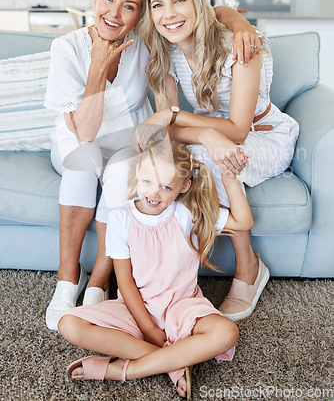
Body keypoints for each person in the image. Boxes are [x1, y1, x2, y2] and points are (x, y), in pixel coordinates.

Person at [43, 0, 261, 332]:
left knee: (120, 175)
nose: (114, 13)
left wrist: (241, 21)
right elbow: (85, 133)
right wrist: (97, 62)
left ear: (139, 13)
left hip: (127, 139)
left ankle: (99, 281)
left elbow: (209, 11)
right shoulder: (66, 48)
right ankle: (66, 281)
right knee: (80, 166)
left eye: (129, 6)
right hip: (79, 137)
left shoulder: (148, 42)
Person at [136, 0, 300, 322]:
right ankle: (171, 271)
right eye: (157, 4)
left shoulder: (239, 44)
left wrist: (176, 116)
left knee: (211, 161)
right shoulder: (166, 51)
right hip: (216, 135)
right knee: (171, 161)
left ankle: (249, 268)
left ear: (197, 2)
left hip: (265, 136)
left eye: (179, 0)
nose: (168, 14)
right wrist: (203, 132)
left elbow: (239, 129)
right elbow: (167, 131)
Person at [58, 139, 253, 399]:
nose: (154, 193)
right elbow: (125, 281)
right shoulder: (120, 217)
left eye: (166, 186)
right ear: (138, 173)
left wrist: (229, 176)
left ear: (183, 187)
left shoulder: (187, 213)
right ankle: (174, 363)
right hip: (135, 307)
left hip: (182, 306)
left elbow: (243, 221)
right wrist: (149, 329)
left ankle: (127, 369)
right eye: (148, 181)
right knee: (68, 323)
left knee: (227, 332)